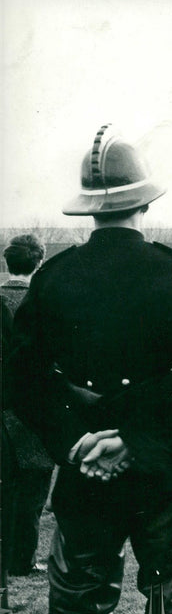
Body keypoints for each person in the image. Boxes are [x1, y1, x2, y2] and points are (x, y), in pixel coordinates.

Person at [7, 124, 172, 614]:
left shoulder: (53, 278)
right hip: (167, 462)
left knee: (78, 600)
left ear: (87, 205)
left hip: (85, 464)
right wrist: (134, 435)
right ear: (144, 203)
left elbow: (22, 377)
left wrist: (74, 441)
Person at [1, 235, 53, 576]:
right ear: (38, 262)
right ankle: (22, 559)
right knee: (33, 492)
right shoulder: (42, 302)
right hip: (33, 409)